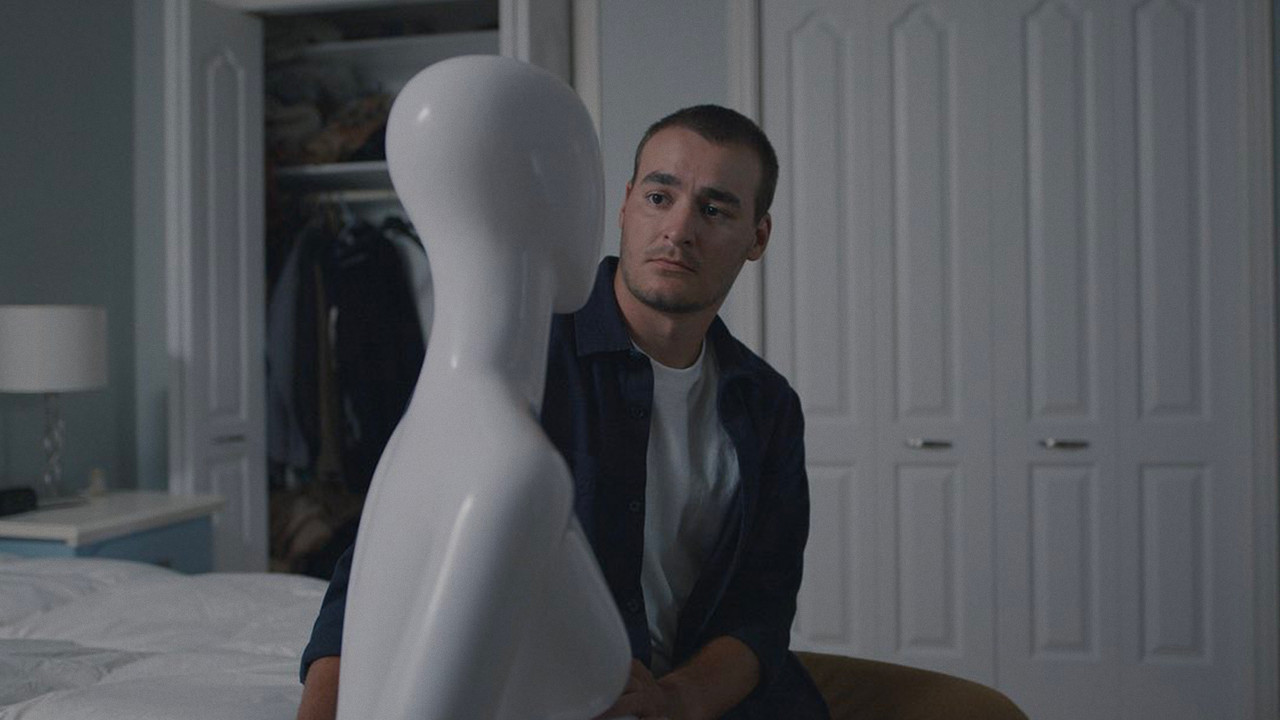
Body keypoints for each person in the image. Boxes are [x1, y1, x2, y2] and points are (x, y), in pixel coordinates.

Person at [296, 103, 829, 720]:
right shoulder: (519, 355)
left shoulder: (767, 406)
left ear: (757, 237)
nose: (679, 230)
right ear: (625, 204)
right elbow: (381, 561)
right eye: (660, 197)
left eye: (714, 210)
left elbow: (761, 605)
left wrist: (676, 699)